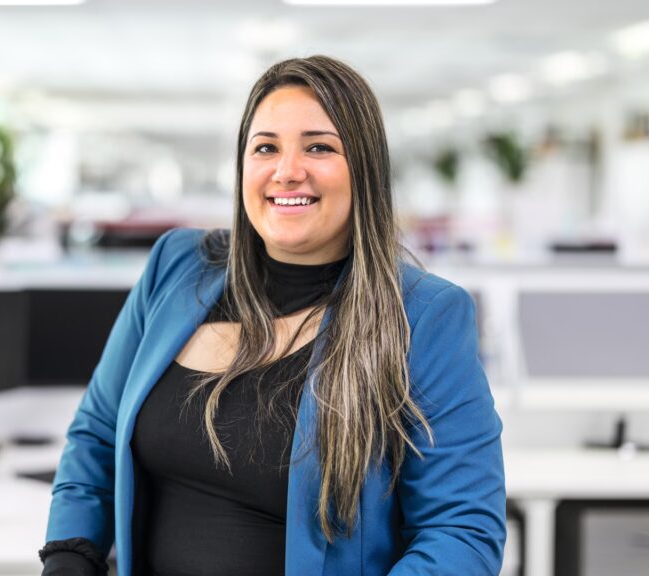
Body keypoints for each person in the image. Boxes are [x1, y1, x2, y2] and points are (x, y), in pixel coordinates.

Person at [39, 55, 506, 576]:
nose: (287, 171)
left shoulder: (421, 315)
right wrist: (68, 557)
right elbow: (98, 434)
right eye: (266, 148)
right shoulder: (177, 267)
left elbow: (462, 531)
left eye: (318, 147)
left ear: (366, 168)